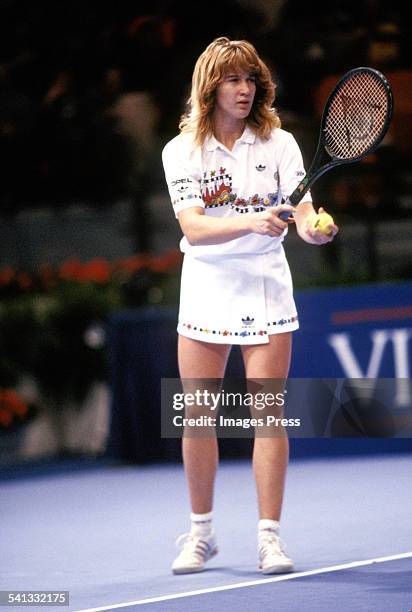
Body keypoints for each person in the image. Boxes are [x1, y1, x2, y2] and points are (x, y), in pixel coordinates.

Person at [161, 36, 338, 576]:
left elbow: (303, 214)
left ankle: (269, 539)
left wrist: (314, 230)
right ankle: (201, 534)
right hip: (207, 284)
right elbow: (193, 226)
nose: (245, 89)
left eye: (251, 79)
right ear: (210, 86)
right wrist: (252, 221)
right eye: (234, 80)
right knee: (196, 417)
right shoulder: (181, 151)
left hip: (264, 284)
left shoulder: (279, 143)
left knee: (268, 415)